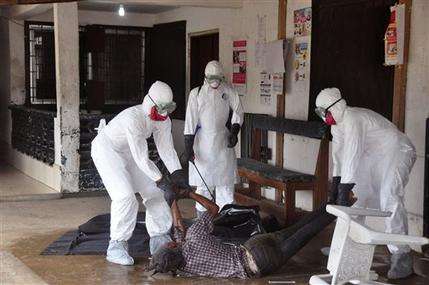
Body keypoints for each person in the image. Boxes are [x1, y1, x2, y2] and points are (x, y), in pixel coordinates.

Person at [315, 87, 417, 279]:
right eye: (320, 113)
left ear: (335, 107)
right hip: (375, 155)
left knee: (390, 195)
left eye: (325, 112)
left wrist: (344, 188)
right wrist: (335, 187)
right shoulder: (336, 127)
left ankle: (401, 255)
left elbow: (352, 154)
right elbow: (339, 158)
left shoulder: (353, 118)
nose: (324, 117)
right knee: (358, 197)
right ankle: (347, 243)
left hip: (397, 150)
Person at [91, 81, 189, 266]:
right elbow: (141, 158)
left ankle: (159, 238)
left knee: (156, 193)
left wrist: (177, 174)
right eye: (160, 109)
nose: (164, 114)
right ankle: (116, 246)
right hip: (108, 150)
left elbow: (166, 149)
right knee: (125, 197)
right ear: (150, 103)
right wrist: (161, 180)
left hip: (130, 153)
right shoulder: (133, 118)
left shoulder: (162, 118)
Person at [147, 186, 337, 278]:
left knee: (306, 233)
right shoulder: (195, 236)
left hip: (259, 265)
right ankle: (334, 200)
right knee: (300, 226)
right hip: (253, 246)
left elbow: (178, 227)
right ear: (171, 245)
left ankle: (338, 203)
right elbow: (214, 208)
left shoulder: (184, 269)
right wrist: (187, 194)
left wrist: (172, 202)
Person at [183, 60, 244, 216]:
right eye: (212, 79)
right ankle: (202, 222)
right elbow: (190, 120)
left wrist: (234, 130)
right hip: (203, 143)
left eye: (218, 79)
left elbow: (238, 109)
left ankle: (226, 221)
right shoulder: (196, 94)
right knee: (203, 186)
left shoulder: (228, 91)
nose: (215, 83)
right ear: (206, 77)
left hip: (223, 141)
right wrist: (188, 147)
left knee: (226, 184)